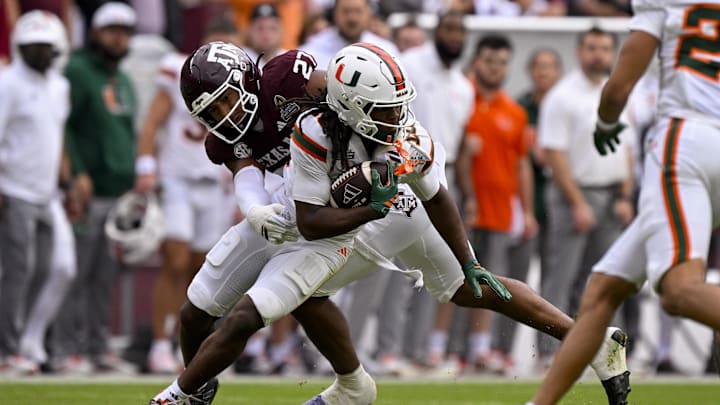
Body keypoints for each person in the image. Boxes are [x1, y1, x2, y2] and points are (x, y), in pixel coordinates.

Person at [149, 42, 630, 405]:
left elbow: (422, 189)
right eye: (209, 111)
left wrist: (461, 253)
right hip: (377, 203)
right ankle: (591, 341)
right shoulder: (307, 131)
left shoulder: (326, 106)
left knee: (303, 289)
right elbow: (268, 182)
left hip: (379, 209)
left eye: (223, 102)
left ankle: (352, 388)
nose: (222, 116)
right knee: (466, 288)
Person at [528, 0, 720, 403]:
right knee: (602, 290)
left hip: (687, 143)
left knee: (678, 291)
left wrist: (607, 122)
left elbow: (616, 89)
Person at [134, 17, 240, 374]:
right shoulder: (178, 72)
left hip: (215, 183)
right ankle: (160, 344)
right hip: (178, 180)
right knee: (175, 261)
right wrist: (146, 165)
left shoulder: (239, 81)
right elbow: (153, 121)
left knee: (201, 271)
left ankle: (188, 346)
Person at [537, 27, 635, 360]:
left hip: (612, 196)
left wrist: (625, 195)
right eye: (592, 48)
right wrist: (577, 202)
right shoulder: (563, 95)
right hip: (573, 194)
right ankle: (550, 353)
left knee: (610, 280)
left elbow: (627, 148)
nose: (599, 55)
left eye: (606, 49)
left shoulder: (618, 92)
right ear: (580, 52)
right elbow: (554, 152)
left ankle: (611, 353)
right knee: (561, 277)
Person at [51, 2, 138, 372]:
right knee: (75, 272)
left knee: (105, 277)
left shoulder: (125, 79)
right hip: (86, 189)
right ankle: (64, 349)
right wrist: (75, 173)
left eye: (125, 32)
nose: (118, 38)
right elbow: (61, 124)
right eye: (111, 30)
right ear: (95, 33)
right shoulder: (78, 71)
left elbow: (126, 134)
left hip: (117, 194)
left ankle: (97, 346)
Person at [455, 34, 536, 373]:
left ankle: (483, 349)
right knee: (457, 280)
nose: (495, 68)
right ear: (476, 61)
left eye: (502, 62)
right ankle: (452, 350)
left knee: (493, 281)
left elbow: (522, 163)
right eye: (489, 60)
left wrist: (528, 211)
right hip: (464, 205)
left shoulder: (514, 111)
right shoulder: (460, 98)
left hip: (502, 209)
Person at [0, 10, 72, 373]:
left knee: (46, 268)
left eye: (45, 46)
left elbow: (56, 138)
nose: (39, 52)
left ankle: (27, 343)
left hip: (46, 193)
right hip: (13, 190)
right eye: (32, 46)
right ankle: (7, 349)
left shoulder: (59, 87)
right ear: (19, 47)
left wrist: (66, 180)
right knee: (16, 271)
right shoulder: (7, 83)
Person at [300, 0, 398, 69]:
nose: (352, 18)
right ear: (334, 14)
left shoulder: (387, 51)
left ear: (369, 14)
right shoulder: (310, 53)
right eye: (346, 12)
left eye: (358, 11)